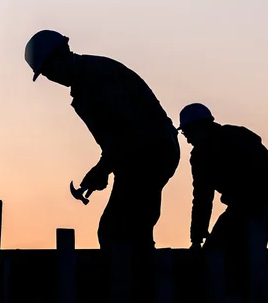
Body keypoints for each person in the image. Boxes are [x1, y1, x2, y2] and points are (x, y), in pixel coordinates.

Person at [25, 30, 180, 300]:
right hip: (141, 154)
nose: (53, 78)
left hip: (150, 152)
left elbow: (125, 131)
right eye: (47, 75)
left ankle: (137, 290)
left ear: (62, 56)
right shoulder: (87, 82)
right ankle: (141, 287)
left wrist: (102, 168)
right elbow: (116, 138)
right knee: (128, 228)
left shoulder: (95, 78)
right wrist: (105, 169)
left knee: (118, 229)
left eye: (51, 71)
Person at [179, 102, 268, 300]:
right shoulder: (239, 135)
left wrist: (197, 236)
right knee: (251, 256)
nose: (188, 140)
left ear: (199, 127)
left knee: (217, 253)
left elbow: (202, 196)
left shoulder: (203, 152)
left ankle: (234, 295)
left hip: (248, 208)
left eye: (187, 134)